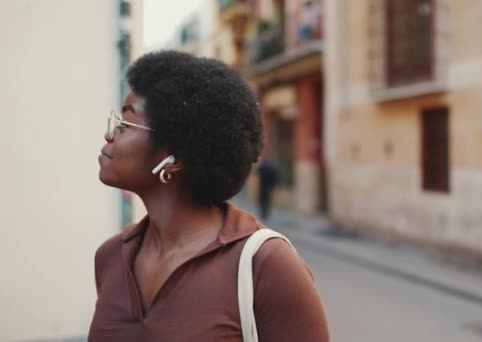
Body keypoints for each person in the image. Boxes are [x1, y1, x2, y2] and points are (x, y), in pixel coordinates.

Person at [90, 51, 329, 341]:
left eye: (125, 123)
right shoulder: (111, 257)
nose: (109, 135)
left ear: (172, 156)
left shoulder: (266, 265)